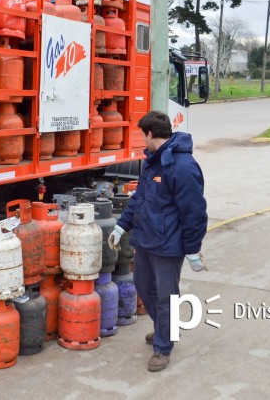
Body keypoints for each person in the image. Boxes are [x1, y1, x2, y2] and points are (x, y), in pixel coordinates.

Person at [108, 110, 208, 372]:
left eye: (143, 135)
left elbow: (194, 212)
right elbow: (139, 199)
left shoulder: (183, 167)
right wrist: (121, 226)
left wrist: (193, 250)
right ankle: (167, 327)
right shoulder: (153, 162)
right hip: (146, 241)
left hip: (168, 246)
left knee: (166, 297)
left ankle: (163, 347)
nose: (142, 140)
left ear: (150, 134)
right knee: (144, 287)